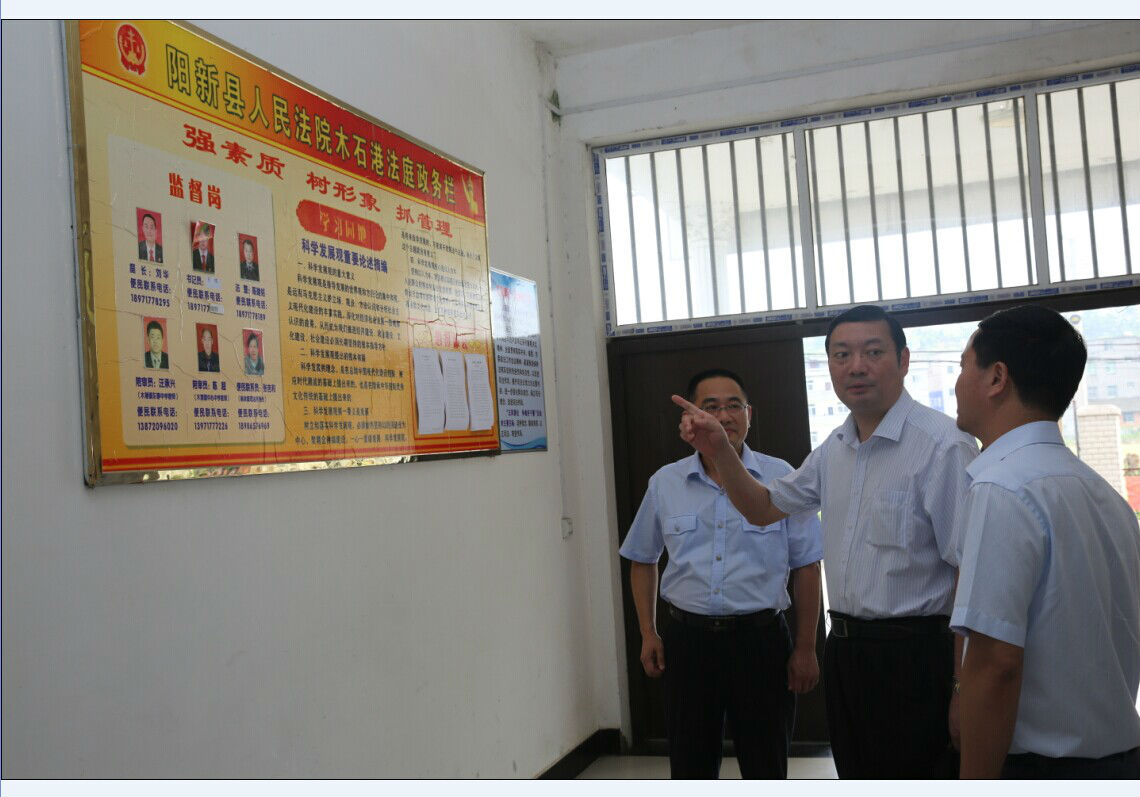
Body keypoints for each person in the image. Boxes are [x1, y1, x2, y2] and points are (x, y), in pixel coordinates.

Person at [672, 305, 978, 779]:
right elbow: (762, 507)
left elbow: (969, 573)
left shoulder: (943, 445)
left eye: (872, 352)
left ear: (903, 360)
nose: (856, 366)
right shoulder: (835, 448)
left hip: (917, 655)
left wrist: (962, 686)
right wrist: (720, 451)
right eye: (841, 355)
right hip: (847, 652)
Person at [951, 305, 1140, 779]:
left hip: (1046, 769)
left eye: (963, 366)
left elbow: (995, 663)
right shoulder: (1104, 495)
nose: (956, 384)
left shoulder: (1001, 488)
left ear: (997, 378)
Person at [621, 368, 823, 779]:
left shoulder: (782, 476)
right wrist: (648, 632)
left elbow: (807, 565)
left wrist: (805, 647)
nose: (724, 416)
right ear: (690, 418)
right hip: (688, 643)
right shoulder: (666, 482)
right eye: (710, 406)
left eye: (734, 405)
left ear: (750, 414)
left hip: (761, 642)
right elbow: (642, 558)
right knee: (690, 764)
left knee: (766, 763)